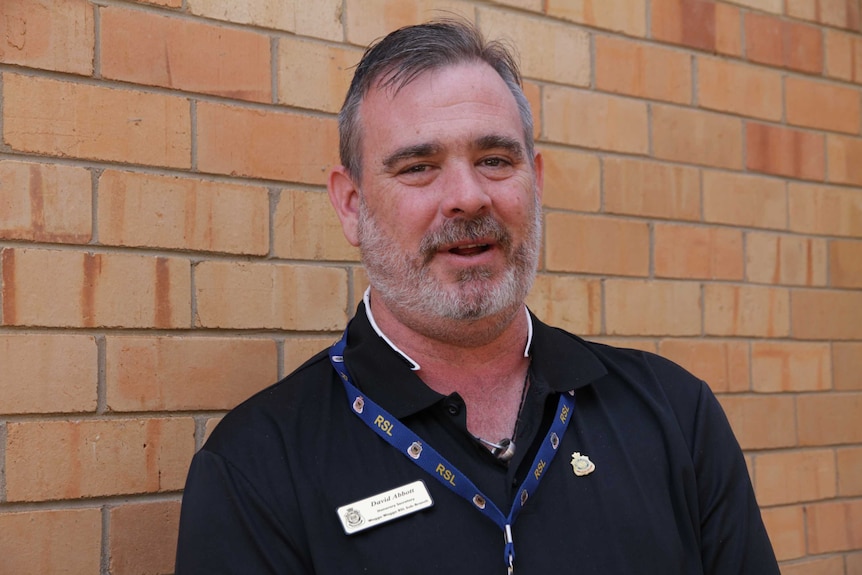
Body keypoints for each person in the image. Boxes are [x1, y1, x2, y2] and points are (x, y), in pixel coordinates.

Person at [175, 20, 780, 574]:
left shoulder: (674, 415)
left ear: (535, 184)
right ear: (352, 205)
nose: (468, 196)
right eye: (418, 166)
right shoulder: (257, 467)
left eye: (494, 159)